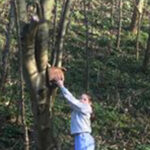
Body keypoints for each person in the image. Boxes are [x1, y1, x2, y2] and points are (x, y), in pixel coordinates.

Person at [56, 79, 95, 150]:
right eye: (80, 98)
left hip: (84, 137)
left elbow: (72, 100)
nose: (81, 100)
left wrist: (61, 86)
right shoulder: (80, 108)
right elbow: (72, 101)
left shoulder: (86, 107)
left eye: (84, 99)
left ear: (90, 103)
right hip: (80, 136)